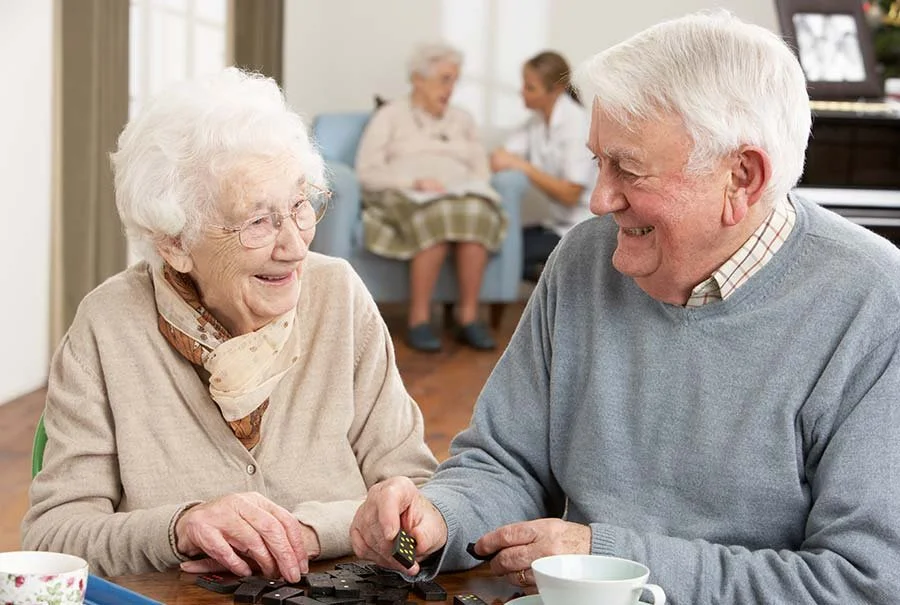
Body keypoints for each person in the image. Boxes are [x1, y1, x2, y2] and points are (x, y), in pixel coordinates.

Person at [349, 11, 900, 604]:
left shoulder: (875, 303)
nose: (597, 199)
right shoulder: (585, 258)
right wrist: (439, 519)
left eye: (628, 169)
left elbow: (863, 584)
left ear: (741, 176)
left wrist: (611, 560)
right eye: (598, 161)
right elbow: (505, 463)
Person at [21, 67, 438, 579]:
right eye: (257, 222)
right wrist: (180, 528)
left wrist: (306, 534)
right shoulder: (108, 327)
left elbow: (416, 497)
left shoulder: (339, 297)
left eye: (299, 206)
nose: (295, 246)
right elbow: (53, 537)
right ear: (173, 242)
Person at [355, 42, 507, 353]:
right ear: (418, 79)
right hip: (406, 193)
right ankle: (419, 319)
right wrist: (414, 181)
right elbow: (367, 171)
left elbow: (481, 171)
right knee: (435, 217)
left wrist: (467, 187)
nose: (451, 88)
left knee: (476, 214)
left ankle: (468, 317)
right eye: (444, 79)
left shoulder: (462, 119)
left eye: (455, 80)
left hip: (458, 193)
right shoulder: (390, 115)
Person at [490, 51, 595, 282]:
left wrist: (523, 167)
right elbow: (500, 157)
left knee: (509, 257)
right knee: (499, 245)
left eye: (530, 87)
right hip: (557, 225)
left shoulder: (577, 125)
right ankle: (553, 279)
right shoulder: (536, 122)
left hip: (584, 226)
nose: (522, 92)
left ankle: (558, 281)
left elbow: (570, 194)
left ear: (555, 89)